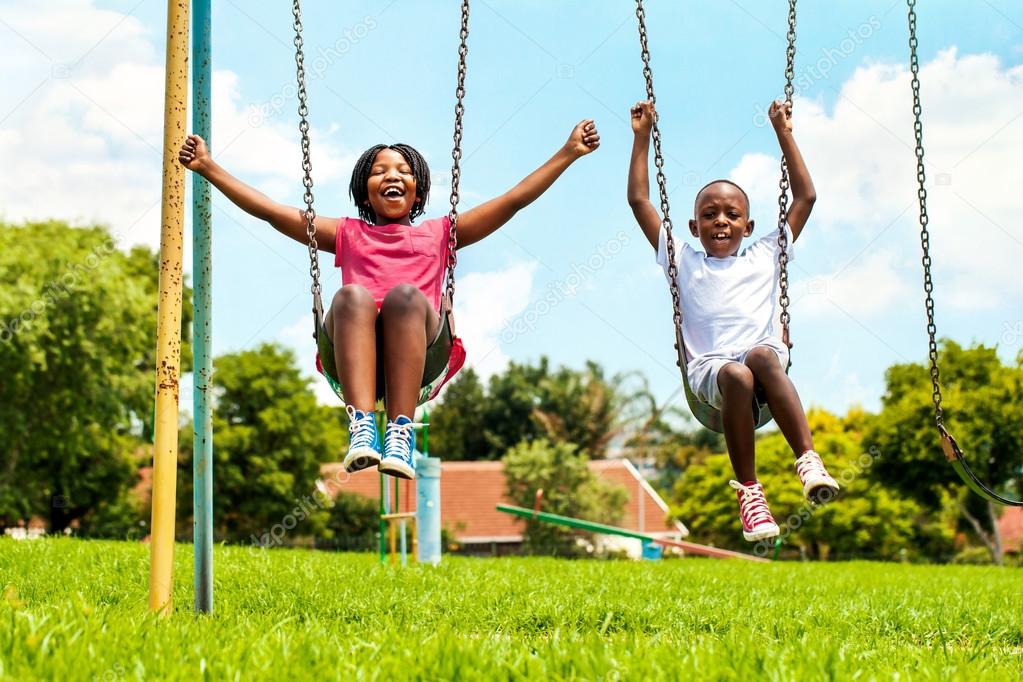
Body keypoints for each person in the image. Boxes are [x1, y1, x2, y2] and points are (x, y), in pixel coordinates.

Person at [179, 119, 600, 480]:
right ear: (365, 193)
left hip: (421, 352)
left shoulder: (440, 234)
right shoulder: (347, 233)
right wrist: (209, 168)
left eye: (403, 170)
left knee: (402, 297)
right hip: (352, 352)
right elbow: (274, 212)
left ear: (418, 193)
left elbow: (513, 201)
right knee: (352, 296)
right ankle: (362, 425)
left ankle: (400, 431)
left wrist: (568, 152)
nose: (392, 175)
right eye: (379, 171)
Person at [627, 99, 838, 542]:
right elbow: (639, 200)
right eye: (709, 215)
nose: (720, 220)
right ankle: (750, 493)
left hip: (764, 358)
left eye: (731, 214)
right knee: (738, 374)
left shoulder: (767, 252)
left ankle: (808, 461)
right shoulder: (681, 260)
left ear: (749, 224)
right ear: (692, 226)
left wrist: (783, 132)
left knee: (760, 356)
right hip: (710, 371)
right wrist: (641, 137)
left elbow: (806, 197)